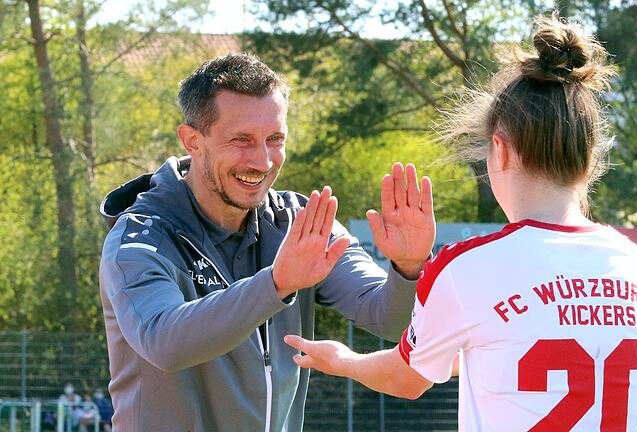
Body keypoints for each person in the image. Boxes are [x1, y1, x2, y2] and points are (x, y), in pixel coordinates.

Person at [284, 14, 637, 432]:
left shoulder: (468, 267)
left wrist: (344, 361)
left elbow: (406, 379)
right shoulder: (633, 263)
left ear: (498, 150)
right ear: (591, 159)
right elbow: (526, 348)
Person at [98, 53, 435, 431]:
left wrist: (410, 268)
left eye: (275, 139)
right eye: (241, 140)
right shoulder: (139, 238)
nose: (261, 161)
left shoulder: (298, 221)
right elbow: (164, 341)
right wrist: (276, 284)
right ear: (192, 140)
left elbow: (387, 318)